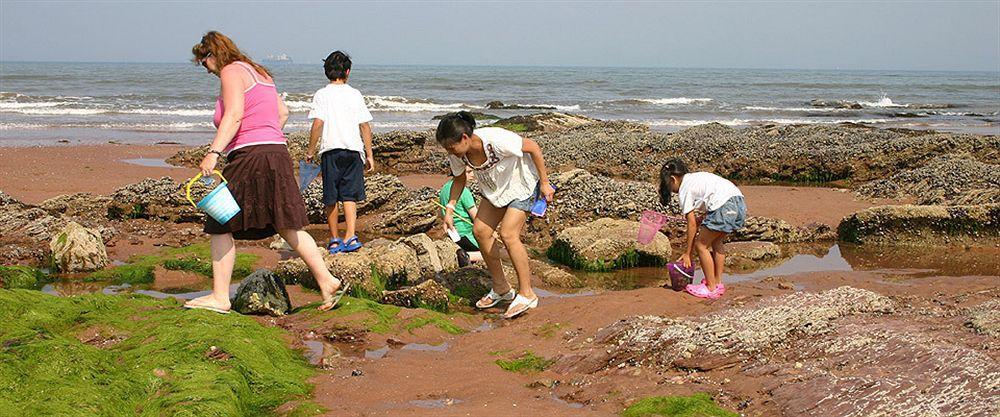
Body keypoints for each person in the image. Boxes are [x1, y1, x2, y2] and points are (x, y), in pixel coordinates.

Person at [186, 31, 345, 313]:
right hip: (276, 152)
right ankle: (327, 280)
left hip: (250, 155)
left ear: (213, 54)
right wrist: (265, 136)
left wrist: (214, 152)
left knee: (219, 221)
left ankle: (220, 297)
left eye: (204, 61)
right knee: (286, 223)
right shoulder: (260, 73)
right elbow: (282, 113)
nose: (205, 69)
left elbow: (234, 114)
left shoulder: (231, 71)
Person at [436, 111, 555, 319]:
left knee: (509, 234)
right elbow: (459, 180)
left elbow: (533, 147)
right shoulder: (459, 154)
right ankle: (501, 288)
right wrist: (450, 209)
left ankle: (527, 293)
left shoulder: (497, 140)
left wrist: (544, 183)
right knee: (480, 231)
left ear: (464, 138)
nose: (449, 152)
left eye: (450, 146)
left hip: (522, 186)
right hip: (495, 191)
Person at [305, 51, 374, 254]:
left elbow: (318, 124)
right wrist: (369, 154)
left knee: (331, 197)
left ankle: (334, 239)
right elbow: (365, 126)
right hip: (353, 150)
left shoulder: (322, 94)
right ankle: (350, 236)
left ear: (327, 71)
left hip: (331, 150)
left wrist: (310, 150)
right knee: (349, 196)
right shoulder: (355, 94)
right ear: (348, 72)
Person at [659, 158, 747, 299]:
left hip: (723, 207)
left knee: (701, 245)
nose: (671, 190)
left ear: (673, 179)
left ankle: (710, 287)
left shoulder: (684, 189)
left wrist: (688, 253)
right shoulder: (696, 177)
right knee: (717, 242)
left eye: (668, 185)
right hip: (739, 203)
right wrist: (706, 217)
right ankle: (717, 283)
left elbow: (691, 223)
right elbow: (716, 194)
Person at [438, 167, 483, 264]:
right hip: (467, 234)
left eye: (472, 171)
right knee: (491, 253)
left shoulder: (444, 188)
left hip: (452, 233)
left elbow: (441, 214)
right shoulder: (464, 192)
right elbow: (476, 217)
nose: (472, 174)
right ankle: (468, 256)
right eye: (468, 172)